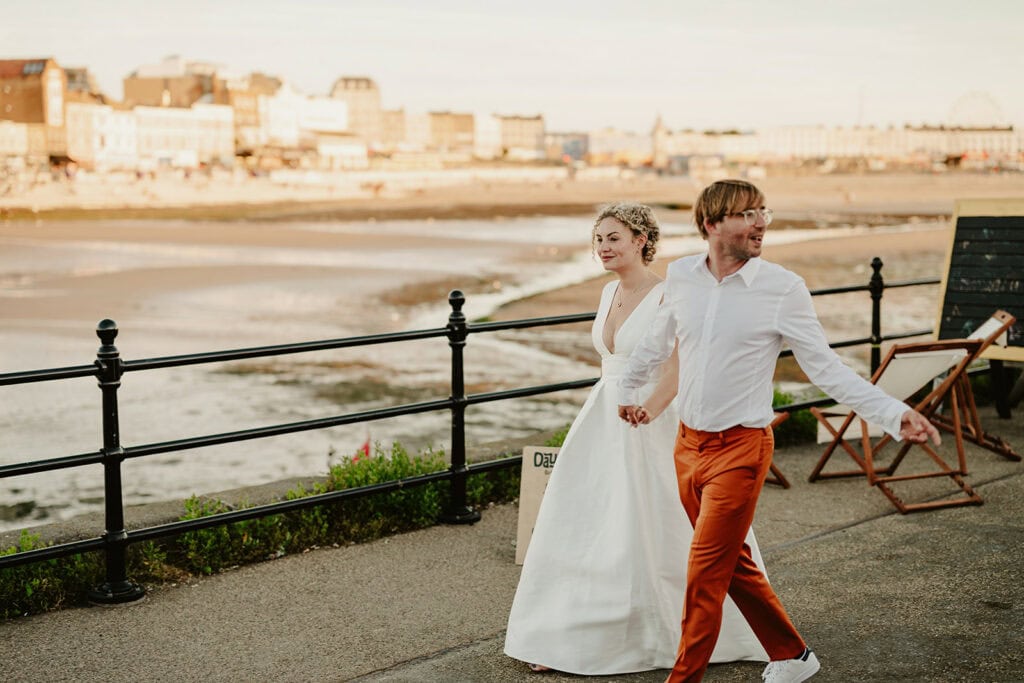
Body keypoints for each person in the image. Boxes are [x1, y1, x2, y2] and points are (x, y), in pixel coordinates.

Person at [617, 179, 941, 683]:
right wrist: (629, 393)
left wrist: (893, 414)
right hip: (687, 446)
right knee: (734, 564)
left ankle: (684, 679)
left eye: (763, 211)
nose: (761, 222)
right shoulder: (681, 277)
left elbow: (826, 369)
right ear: (711, 224)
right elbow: (658, 344)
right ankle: (792, 654)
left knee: (704, 573)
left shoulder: (782, 287)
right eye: (747, 214)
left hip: (741, 450)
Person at [504, 202, 770, 675]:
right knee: (589, 526)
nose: (603, 248)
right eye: (599, 240)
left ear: (641, 241)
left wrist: (650, 410)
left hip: (653, 420)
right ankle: (568, 639)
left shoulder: (671, 295)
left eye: (613, 238)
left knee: (660, 526)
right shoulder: (608, 292)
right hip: (604, 417)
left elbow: (678, 367)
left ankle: (682, 633)